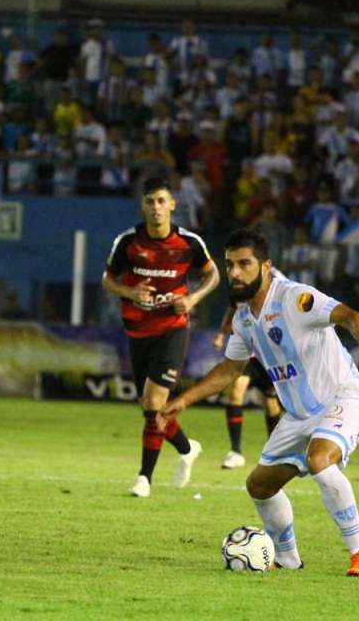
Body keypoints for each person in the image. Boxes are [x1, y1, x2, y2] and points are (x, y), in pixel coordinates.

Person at [159, 228, 359, 577]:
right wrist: (184, 399)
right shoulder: (243, 319)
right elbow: (229, 369)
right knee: (259, 485)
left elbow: (350, 316)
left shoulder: (296, 299)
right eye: (230, 265)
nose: (235, 273)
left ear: (265, 266)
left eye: (244, 264)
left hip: (345, 397)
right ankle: (288, 558)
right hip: (298, 417)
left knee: (319, 460)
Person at [102, 176, 220, 498]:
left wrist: (192, 300)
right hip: (137, 331)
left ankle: (144, 478)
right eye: (150, 201)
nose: (156, 208)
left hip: (172, 328)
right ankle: (186, 448)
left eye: (161, 202)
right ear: (143, 205)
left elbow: (213, 274)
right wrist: (129, 291)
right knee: (151, 409)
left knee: (155, 402)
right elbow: (108, 280)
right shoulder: (128, 242)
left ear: (172, 205)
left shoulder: (188, 243)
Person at [213, 298, 283, 470]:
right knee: (236, 392)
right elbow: (232, 309)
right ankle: (235, 452)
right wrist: (222, 333)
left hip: (266, 354)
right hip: (245, 351)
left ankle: (274, 453)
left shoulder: (272, 289)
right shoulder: (238, 289)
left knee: (270, 402)